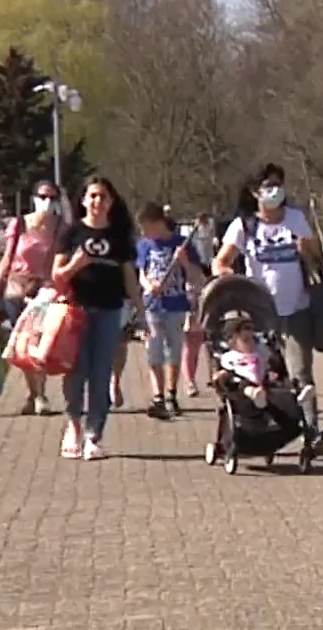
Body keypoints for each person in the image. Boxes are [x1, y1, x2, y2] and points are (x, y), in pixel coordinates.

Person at [213, 163, 323, 452]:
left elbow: (318, 257)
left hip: (295, 309)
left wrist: (308, 250)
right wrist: (234, 279)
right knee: (260, 372)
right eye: (268, 185)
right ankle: (261, 425)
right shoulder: (244, 226)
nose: (275, 190)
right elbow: (220, 262)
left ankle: (312, 431)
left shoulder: (295, 218)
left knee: (300, 373)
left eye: (278, 184)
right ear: (255, 192)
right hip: (259, 315)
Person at [51, 177, 143, 461]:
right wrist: (76, 265)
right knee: (76, 372)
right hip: (76, 311)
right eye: (92, 196)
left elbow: (130, 278)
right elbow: (57, 275)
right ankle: (74, 425)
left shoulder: (119, 237)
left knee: (101, 374)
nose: (97, 202)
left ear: (111, 201)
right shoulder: (71, 233)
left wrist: (141, 311)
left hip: (109, 310)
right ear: (83, 200)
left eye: (103, 196)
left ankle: (94, 434)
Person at [0, 178, 64, 415]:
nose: (46, 202)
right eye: (42, 196)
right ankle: (36, 393)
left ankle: (38, 394)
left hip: (44, 292)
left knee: (39, 342)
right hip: (16, 290)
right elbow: (6, 259)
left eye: (51, 197)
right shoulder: (19, 225)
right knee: (24, 344)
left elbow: (62, 259)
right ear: (34, 198)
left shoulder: (60, 228)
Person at [134, 203, 206, 420]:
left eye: (146, 227)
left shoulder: (182, 245)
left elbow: (196, 277)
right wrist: (149, 287)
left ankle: (172, 394)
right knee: (153, 350)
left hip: (176, 304)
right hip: (153, 305)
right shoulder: (145, 245)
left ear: (158, 223)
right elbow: (141, 273)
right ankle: (158, 396)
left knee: (173, 350)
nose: (144, 233)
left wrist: (184, 262)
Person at [183, 212, 219, 396]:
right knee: (193, 342)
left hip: (212, 288)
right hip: (194, 294)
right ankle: (190, 381)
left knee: (213, 340)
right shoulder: (186, 243)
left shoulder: (210, 237)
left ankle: (215, 375)